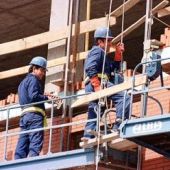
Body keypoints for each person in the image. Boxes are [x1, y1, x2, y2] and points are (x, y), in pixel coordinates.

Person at [83, 27, 130, 139]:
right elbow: (90, 67)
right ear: (100, 41)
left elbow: (113, 69)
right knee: (124, 98)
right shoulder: (97, 51)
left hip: (96, 84)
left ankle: (88, 135)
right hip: (98, 83)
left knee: (96, 110)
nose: (110, 43)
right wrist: (97, 85)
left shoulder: (103, 55)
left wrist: (118, 54)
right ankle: (119, 125)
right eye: (108, 41)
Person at [15, 56, 52, 159]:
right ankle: (32, 163)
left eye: (44, 71)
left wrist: (42, 94)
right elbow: (33, 96)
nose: (43, 74)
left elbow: (28, 97)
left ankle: (17, 163)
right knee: (35, 142)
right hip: (34, 116)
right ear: (34, 68)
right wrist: (46, 98)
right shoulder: (33, 80)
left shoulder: (22, 83)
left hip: (24, 117)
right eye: (42, 70)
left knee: (22, 143)